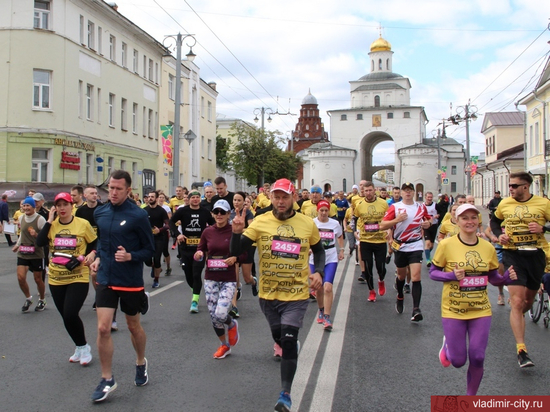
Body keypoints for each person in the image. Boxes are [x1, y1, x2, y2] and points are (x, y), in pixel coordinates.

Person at [230, 178, 325, 412]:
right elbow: (236, 250)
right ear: (270, 198)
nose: (281, 201)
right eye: (277, 197)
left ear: (293, 198)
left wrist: (319, 272)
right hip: (269, 294)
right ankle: (282, 341)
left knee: (289, 341)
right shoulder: (260, 221)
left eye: (285, 197)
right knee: (278, 336)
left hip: (297, 294)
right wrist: (236, 233)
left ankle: (285, 394)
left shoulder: (306, 223)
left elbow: (319, 249)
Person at [430, 203, 517, 395]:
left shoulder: (488, 248)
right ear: (457, 221)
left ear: (478, 221)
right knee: (459, 361)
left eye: (473, 218)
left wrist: (505, 279)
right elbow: (433, 273)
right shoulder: (446, 245)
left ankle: (470, 399)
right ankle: (448, 346)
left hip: (480, 310)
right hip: (453, 309)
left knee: (478, 357)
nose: (469, 222)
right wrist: (451, 275)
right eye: (464, 218)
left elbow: (493, 278)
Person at [90, 170, 154, 402]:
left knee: (133, 326)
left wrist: (130, 256)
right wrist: (97, 255)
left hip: (129, 280)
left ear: (128, 190)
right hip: (106, 278)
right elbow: (102, 241)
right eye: (110, 188)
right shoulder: (101, 212)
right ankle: (107, 378)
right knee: (103, 328)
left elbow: (150, 250)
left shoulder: (138, 216)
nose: (113, 192)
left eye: (118, 189)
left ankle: (140, 362)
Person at [490, 171, 550, 368]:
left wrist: (544, 229)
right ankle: (522, 350)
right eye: (510, 185)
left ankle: (519, 314)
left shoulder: (543, 203)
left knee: (527, 301)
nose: (511, 189)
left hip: (535, 255)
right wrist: (499, 236)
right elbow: (494, 222)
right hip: (512, 254)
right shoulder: (505, 204)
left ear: (526, 186)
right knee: (516, 301)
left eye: (514, 186)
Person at [36, 192, 97, 365]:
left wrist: (92, 253)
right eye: (59, 205)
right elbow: (39, 243)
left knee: (70, 313)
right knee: (65, 316)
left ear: (72, 206)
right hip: (56, 277)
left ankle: (84, 348)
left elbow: (94, 242)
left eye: (66, 205)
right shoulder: (52, 225)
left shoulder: (82, 224)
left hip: (78, 275)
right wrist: (49, 221)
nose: (63, 208)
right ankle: (79, 346)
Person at [194, 200, 243, 359]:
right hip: (211, 278)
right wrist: (199, 253)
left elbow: (245, 253)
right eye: (217, 212)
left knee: (221, 313)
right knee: (213, 316)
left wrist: (235, 257)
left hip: (228, 279)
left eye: (223, 212)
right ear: (213, 214)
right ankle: (224, 345)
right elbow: (201, 247)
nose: (219, 215)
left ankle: (231, 324)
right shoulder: (208, 232)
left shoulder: (234, 231)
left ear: (229, 214)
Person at [380, 182, 431, 321]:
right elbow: (382, 225)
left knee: (416, 276)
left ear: (414, 192)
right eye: (405, 190)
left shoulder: (420, 207)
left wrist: (428, 223)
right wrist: (397, 220)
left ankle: (416, 309)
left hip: (415, 245)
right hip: (401, 246)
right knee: (401, 276)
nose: (408, 193)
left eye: (410, 190)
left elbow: (429, 219)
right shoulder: (395, 207)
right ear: (401, 193)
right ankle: (400, 295)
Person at [170, 190, 215, 313]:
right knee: (188, 275)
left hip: (199, 249)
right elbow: (170, 222)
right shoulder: (183, 211)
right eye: (193, 197)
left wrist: (209, 239)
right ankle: (195, 289)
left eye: (197, 197)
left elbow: (213, 225)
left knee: (196, 274)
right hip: (185, 248)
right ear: (189, 199)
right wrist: (178, 234)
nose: (195, 199)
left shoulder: (205, 212)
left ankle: (194, 301)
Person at [311, 200, 344, 330]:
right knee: (318, 288)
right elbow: (306, 237)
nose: (324, 213)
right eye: (321, 210)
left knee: (328, 287)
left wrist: (341, 250)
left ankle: (327, 316)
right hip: (315, 257)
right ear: (317, 211)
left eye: (326, 210)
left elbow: (340, 236)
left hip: (330, 256)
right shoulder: (312, 223)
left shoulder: (335, 224)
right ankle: (321, 309)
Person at [354, 181, 389, 302]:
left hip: (380, 240)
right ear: (363, 191)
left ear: (375, 191)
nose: (368, 193)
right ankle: (371, 291)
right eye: (366, 191)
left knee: (381, 267)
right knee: (368, 267)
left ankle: (381, 280)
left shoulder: (383, 204)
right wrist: (354, 230)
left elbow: (389, 218)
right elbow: (355, 218)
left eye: (370, 190)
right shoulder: (359, 205)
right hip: (365, 240)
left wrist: (389, 230)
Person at [12, 196, 47, 312]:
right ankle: (28, 298)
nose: (26, 208)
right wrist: (17, 244)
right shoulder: (21, 218)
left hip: (36, 253)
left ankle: (42, 299)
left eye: (28, 206)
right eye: (24, 205)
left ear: (33, 207)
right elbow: (22, 234)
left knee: (38, 279)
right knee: (20, 277)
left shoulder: (40, 219)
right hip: (23, 252)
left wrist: (36, 234)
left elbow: (46, 236)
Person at [229, 191, 258, 318]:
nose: (236, 202)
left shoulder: (248, 213)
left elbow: (252, 228)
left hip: (246, 246)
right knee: (233, 278)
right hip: (234, 246)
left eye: (239, 200)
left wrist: (239, 229)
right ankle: (234, 307)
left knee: (247, 277)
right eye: (235, 200)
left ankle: (253, 282)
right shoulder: (229, 213)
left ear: (243, 202)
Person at [144, 191, 170, 288]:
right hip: (147, 238)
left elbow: (168, 225)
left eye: (152, 197)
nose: (150, 198)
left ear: (157, 198)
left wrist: (160, 229)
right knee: (147, 261)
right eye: (149, 196)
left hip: (159, 238)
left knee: (157, 258)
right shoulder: (144, 210)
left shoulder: (161, 211)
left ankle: (156, 279)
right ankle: (154, 266)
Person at [423, 191, 440, 267]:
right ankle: (428, 260)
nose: (429, 199)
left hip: (433, 225)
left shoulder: (435, 205)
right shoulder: (422, 206)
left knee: (431, 245)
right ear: (425, 197)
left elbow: (440, 213)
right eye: (428, 197)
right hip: (426, 226)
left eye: (431, 197)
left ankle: (428, 254)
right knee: (427, 243)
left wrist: (437, 216)